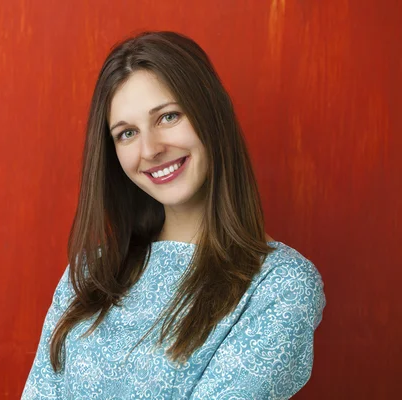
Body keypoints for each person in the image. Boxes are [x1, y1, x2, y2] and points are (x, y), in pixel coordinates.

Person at [22, 31, 326, 399]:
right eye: (127, 133)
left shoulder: (280, 286)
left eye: (168, 116)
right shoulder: (90, 271)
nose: (150, 149)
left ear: (210, 115)